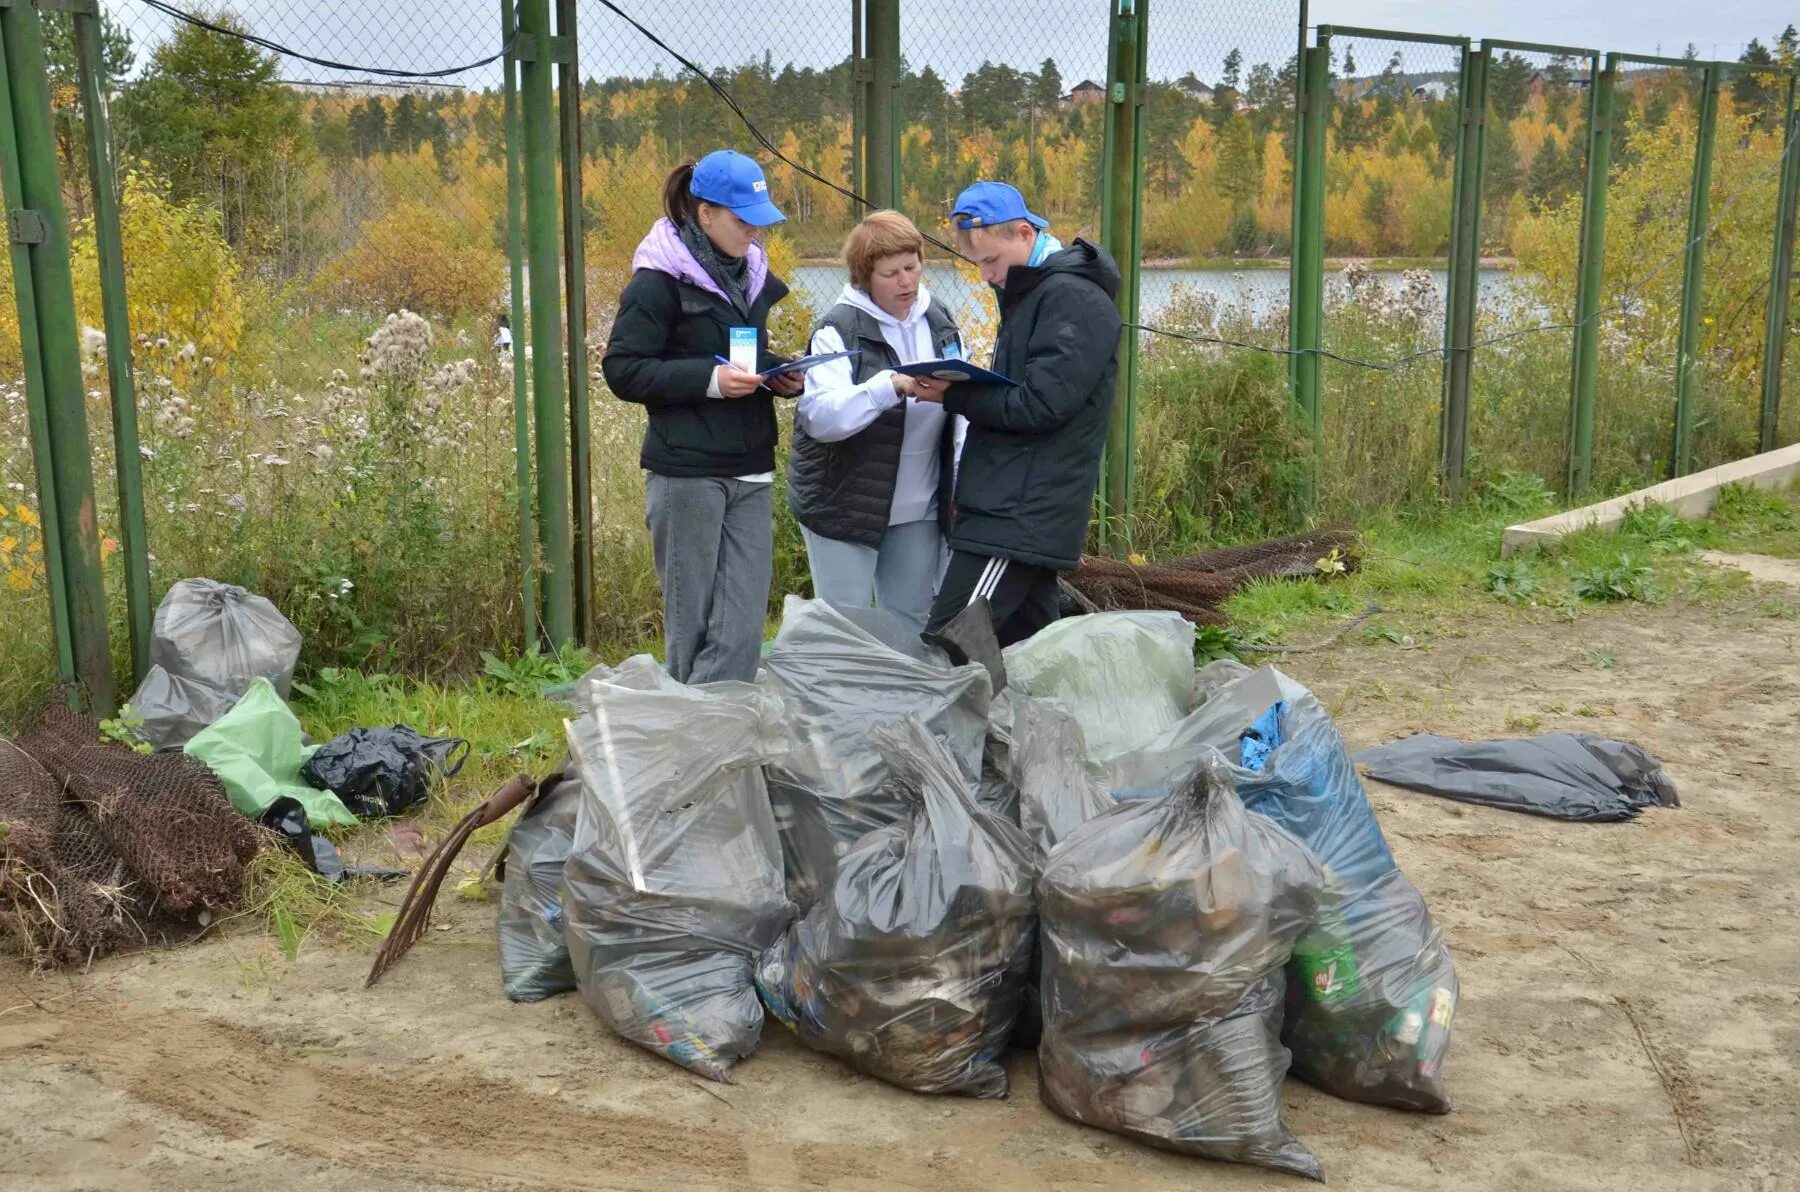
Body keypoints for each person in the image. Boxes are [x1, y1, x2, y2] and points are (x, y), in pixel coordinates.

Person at [600, 150, 802, 685]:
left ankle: (709, 717)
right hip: (686, 472)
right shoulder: (656, 281)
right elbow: (623, 370)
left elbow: (737, 355)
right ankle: (694, 726)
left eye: (760, 221)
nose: (755, 232)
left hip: (752, 468)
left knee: (742, 626)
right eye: (743, 220)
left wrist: (777, 373)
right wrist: (710, 381)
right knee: (691, 628)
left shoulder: (751, 275)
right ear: (705, 214)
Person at [911, 181, 1122, 648]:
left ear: (1025, 233)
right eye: (978, 264)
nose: (985, 275)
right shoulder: (1034, 291)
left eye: (991, 261)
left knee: (951, 644)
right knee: (1029, 649)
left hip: (1017, 514)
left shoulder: (1071, 298)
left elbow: (1042, 404)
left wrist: (956, 395)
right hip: (1013, 504)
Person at [789, 210, 965, 637]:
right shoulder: (838, 329)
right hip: (844, 507)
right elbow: (820, 417)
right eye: (891, 273)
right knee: (844, 628)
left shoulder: (940, 321)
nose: (906, 281)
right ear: (864, 276)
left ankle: (906, 687)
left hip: (920, 507)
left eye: (912, 267)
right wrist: (885, 387)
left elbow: (962, 413)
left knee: (911, 625)